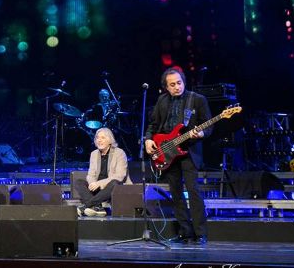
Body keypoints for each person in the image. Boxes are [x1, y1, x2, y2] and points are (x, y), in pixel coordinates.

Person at [144, 67, 211, 245]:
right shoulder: (162, 100)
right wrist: (148, 139)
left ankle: (200, 233)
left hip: (189, 151)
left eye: (179, 83)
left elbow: (208, 125)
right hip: (167, 151)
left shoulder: (197, 99)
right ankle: (185, 232)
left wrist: (202, 133)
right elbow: (153, 124)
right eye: (172, 84)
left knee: (193, 191)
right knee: (176, 193)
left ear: (184, 82)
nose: (177, 87)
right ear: (166, 87)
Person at [73, 127, 130, 216]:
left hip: (112, 187)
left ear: (110, 140)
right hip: (98, 189)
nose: (99, 140)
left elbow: (120, 176)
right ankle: (98, 208)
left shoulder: (119, 153)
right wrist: (92, 183)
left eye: (103, 138)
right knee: (78, 182)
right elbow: (91, 174)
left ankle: (87, 206)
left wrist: (99, 183)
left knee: (114, 183)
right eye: (97, 138)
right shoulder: (94, 154)